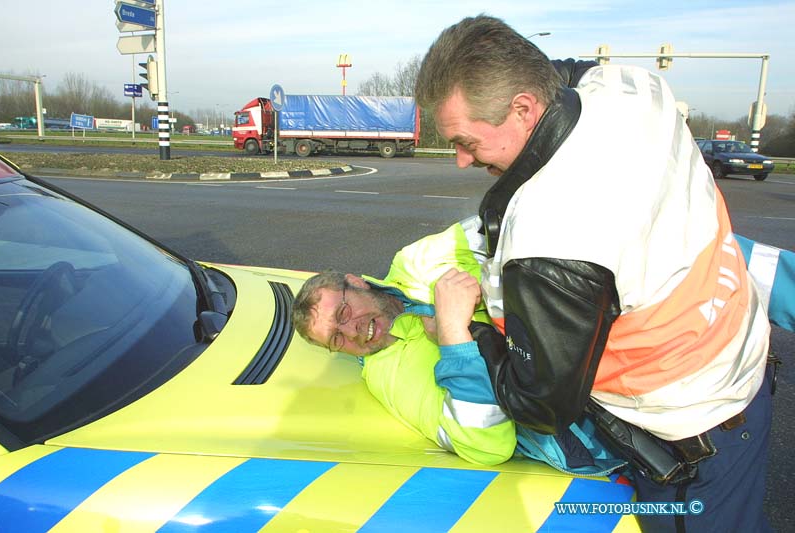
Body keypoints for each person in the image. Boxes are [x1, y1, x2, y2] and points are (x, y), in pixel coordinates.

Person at [414, 15, 774, 532]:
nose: (461, 161)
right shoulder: (629, 87)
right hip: (740, 360)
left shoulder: (554, 233)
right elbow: (564, 73)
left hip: (693, 434)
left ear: (523, 107)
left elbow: (540, 404)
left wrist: (464, 333)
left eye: (467, 141)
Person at [292, 217, 626, 476]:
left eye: (344, 312)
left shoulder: (414, 261)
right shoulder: (386, 377)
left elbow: (511, 221)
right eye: (337, 339)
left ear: (355, 281)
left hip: (616, 307)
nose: (352, 332)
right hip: (606, 410)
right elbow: (485, 446)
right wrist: (453, 335)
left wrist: (489, 281)